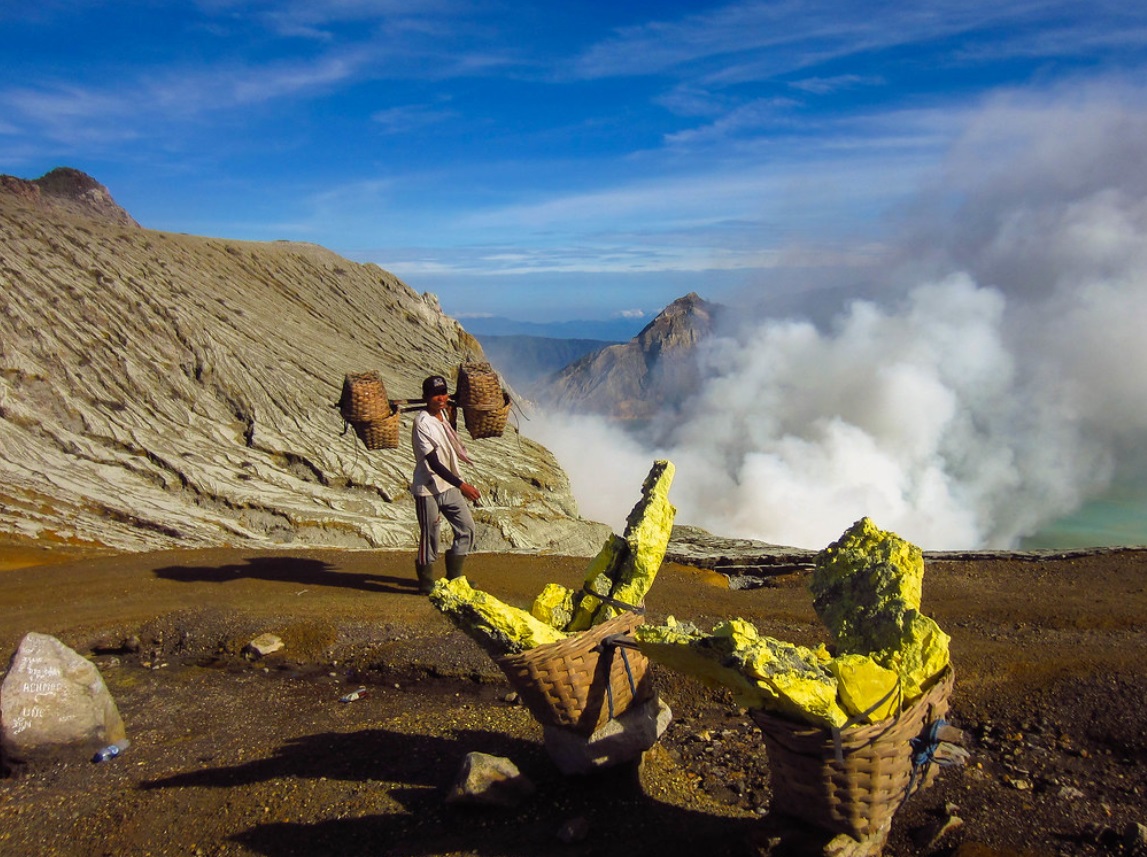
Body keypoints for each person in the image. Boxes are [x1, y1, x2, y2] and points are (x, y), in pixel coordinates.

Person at [410, 374, 481, 594]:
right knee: (430, 533)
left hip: (448, 485)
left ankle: (454, 577)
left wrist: (454, 419)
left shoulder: (443, 414)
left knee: (466, 528)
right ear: (425, 397)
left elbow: (450, 441)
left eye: (443, 393)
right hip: (428, 488)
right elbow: (433, 463)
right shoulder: (422, 424)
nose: (440, 398)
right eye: (435, 395)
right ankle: (426, 582)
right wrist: (463, 485)